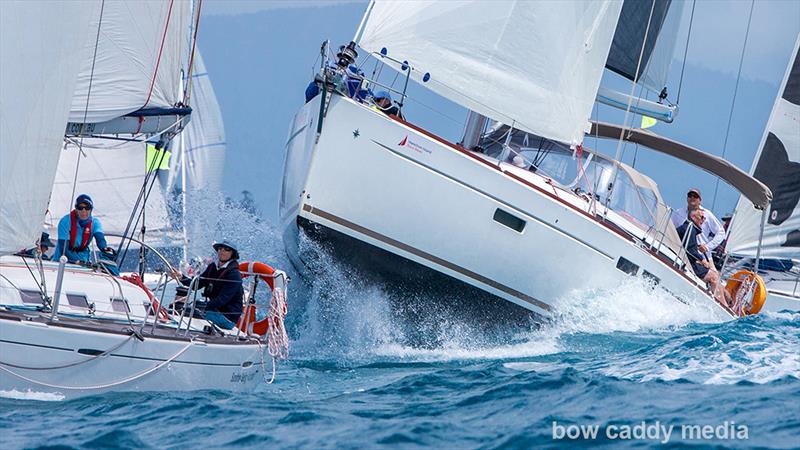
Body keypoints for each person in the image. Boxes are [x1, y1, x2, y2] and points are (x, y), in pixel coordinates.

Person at [176, 240, 243, 330]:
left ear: (233, 254)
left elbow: (222, 299)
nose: (221, 251)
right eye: (219, 248)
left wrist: (203, 306)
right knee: (180, 310)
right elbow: (197, 284)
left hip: (227, 317)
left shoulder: (234, 274)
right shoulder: (212, 267)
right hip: (213, 311)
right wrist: (180, 277)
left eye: (226, 249)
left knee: (189, 313)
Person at [677, 210, 730, 305]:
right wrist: (702, 260)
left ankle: (728, 303)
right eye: (701, 217)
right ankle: (724, 306)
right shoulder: (690, 229)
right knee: (714, 276)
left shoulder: (687, 228)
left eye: (704, 218)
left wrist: (698, 248)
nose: (703, 220)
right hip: (689, 263)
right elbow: (691, 250)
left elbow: (689, 246)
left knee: (715, 274)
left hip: (687, 260)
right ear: (693, 217)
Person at [52, 194, 112, 264]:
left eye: (87, 208)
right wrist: (76, 261)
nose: (84, 211)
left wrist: (105, 250)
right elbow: (63, 247)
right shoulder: (65, 221)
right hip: (63, 262)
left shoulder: (95, 223)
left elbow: (100, 239)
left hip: (84, 262)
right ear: (76, 209)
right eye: (80, 207)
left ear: (91, 209)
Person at [671, 188, 726, 262]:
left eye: (695, 196)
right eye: (690, 195)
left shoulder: (707, 214)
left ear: (700, 200)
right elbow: (671, 229)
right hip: (680, 252)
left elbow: (721, 232)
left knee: (714, 273)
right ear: (687, 198)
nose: (692, 197)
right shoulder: (678, 212)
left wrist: (708, 247)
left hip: (703, 256)